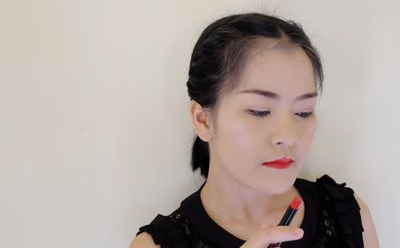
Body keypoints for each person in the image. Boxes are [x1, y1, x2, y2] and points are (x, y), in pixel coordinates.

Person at [130, 13, 379, 248]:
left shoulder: (348, 217)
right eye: (260, 111)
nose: (289, 135)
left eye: (303, 111)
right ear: (203, 120)